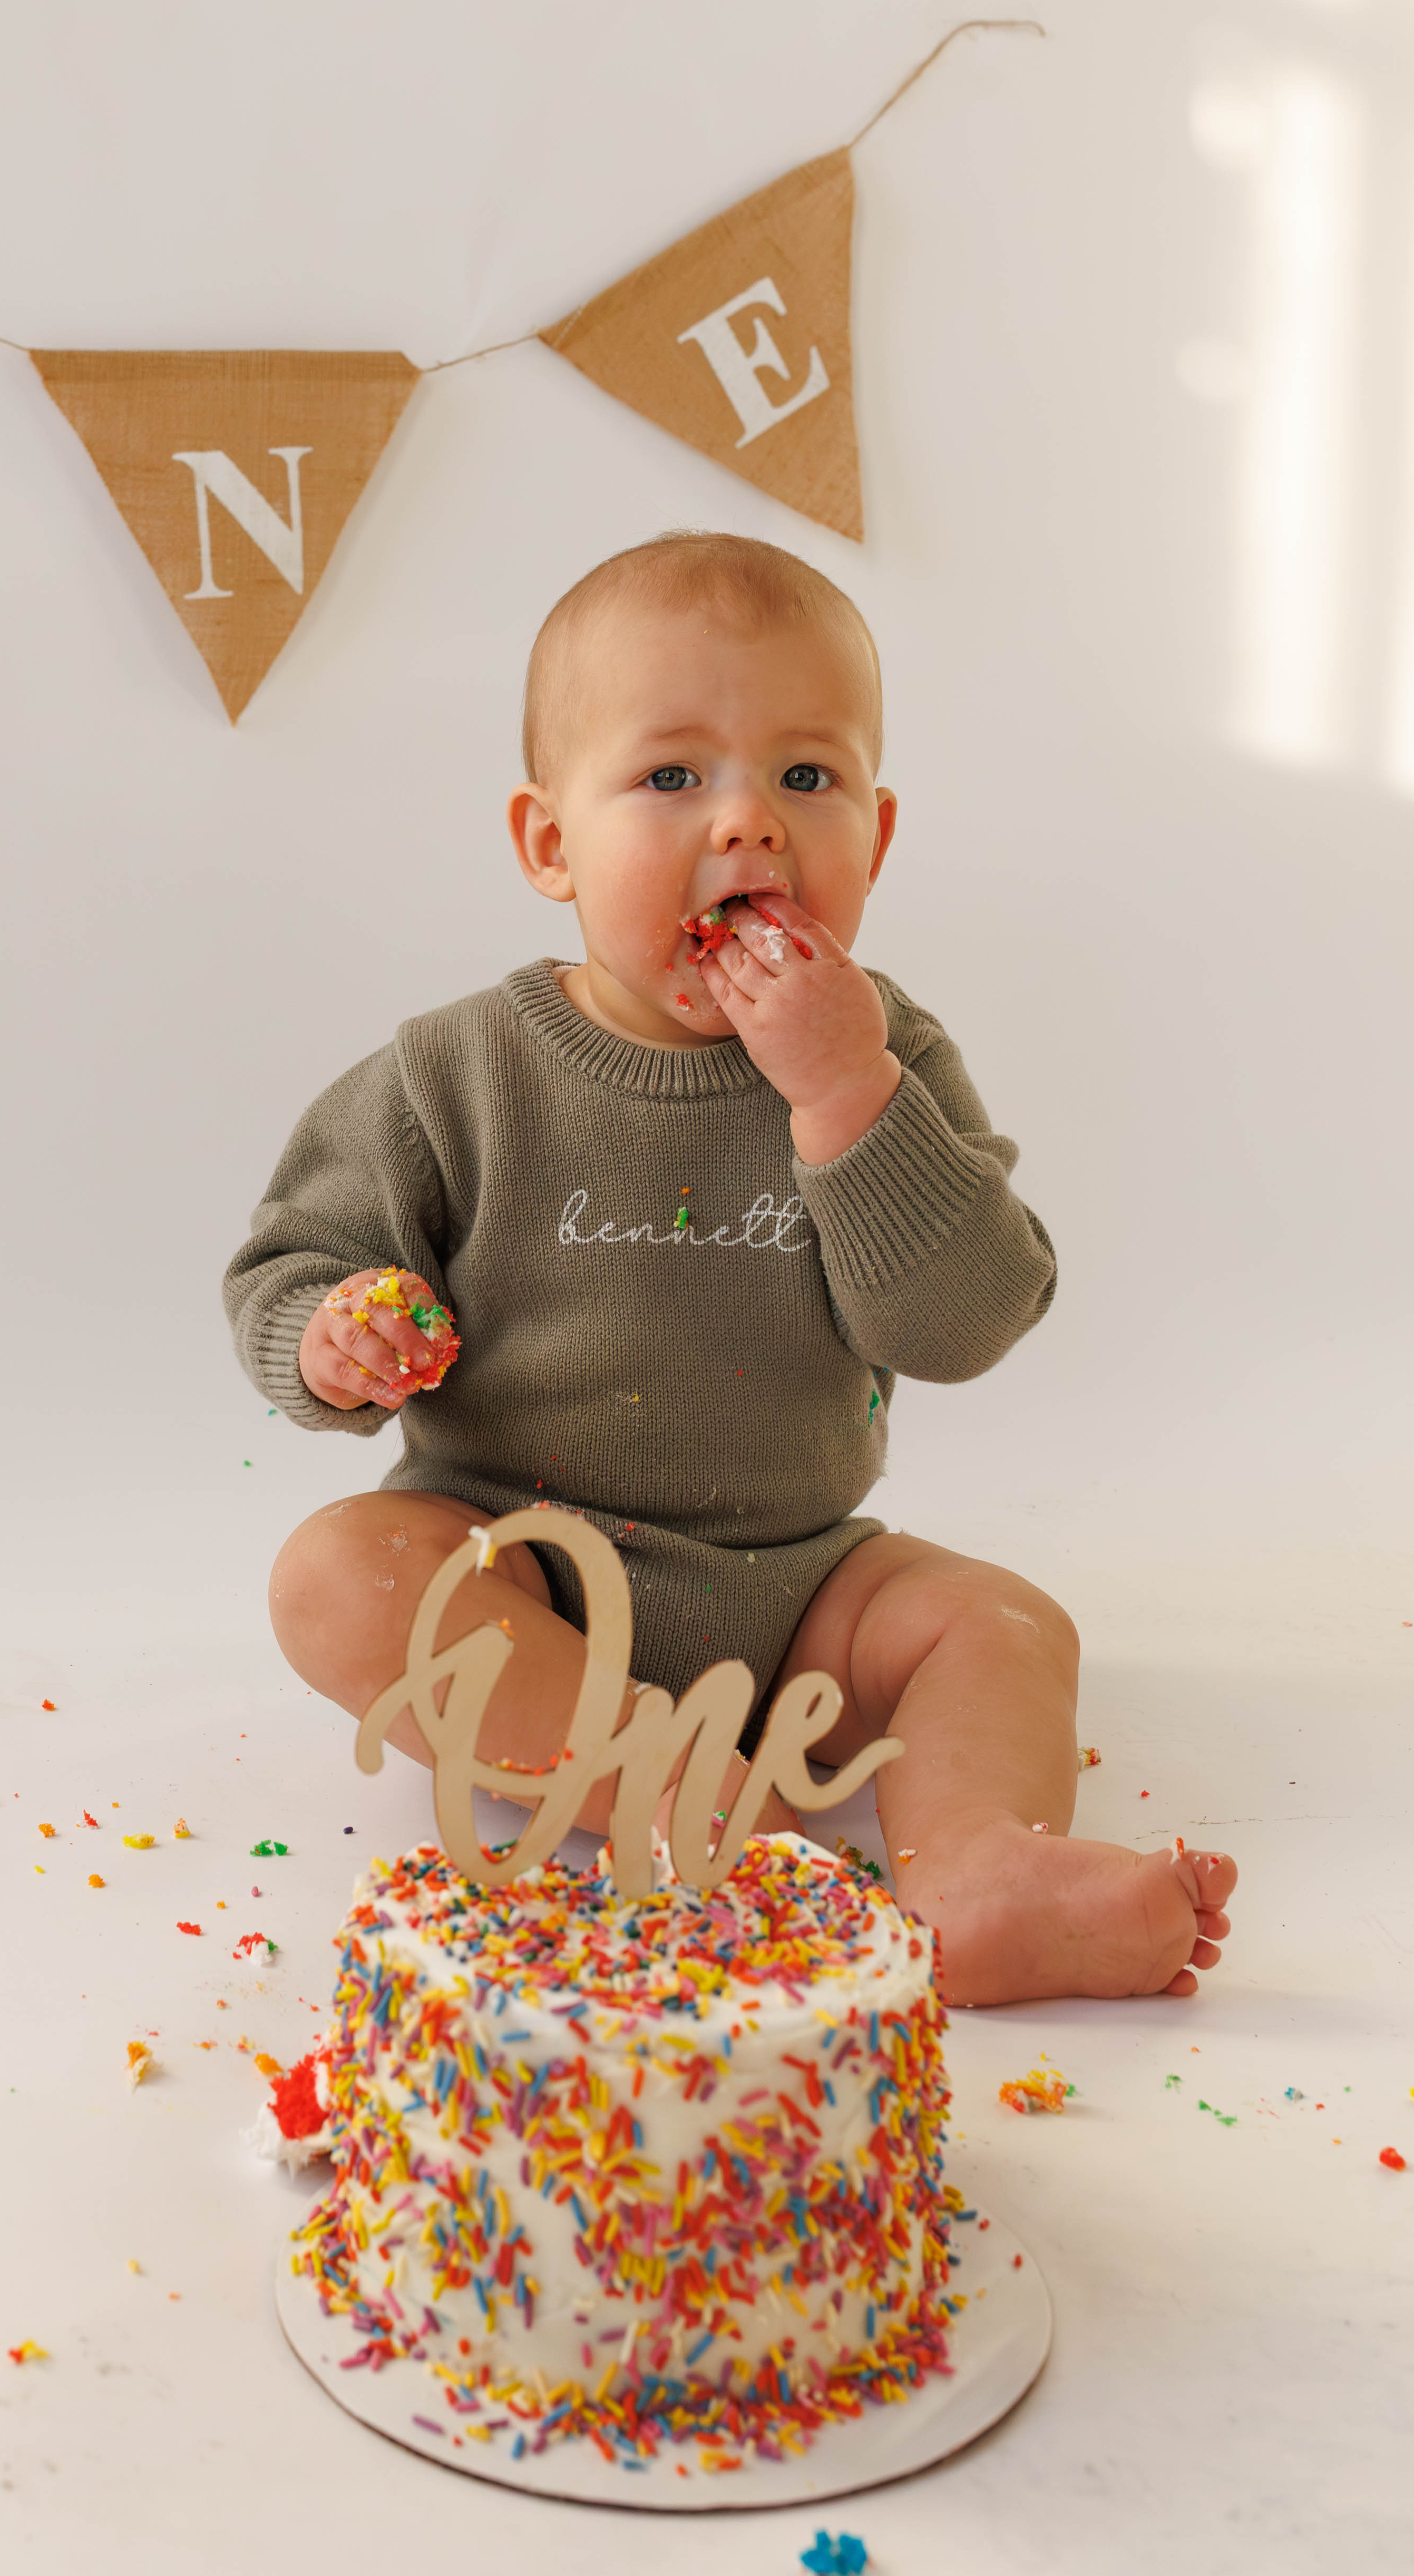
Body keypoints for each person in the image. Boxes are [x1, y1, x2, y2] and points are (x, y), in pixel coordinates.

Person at [223, 531, 1236, 2006]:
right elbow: (294, 1261)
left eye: (807, 777)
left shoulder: (889, 1055)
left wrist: (847, 1096)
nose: (750, 824)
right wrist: (335, 1334)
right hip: (530, 1583)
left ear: (876, 841)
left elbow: (967, 1323)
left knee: (1003, 1625)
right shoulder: (455, 1077)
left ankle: (974, 1870)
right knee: (337, 1576)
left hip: (805, 1594)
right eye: (672, 777)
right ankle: (716, 1829)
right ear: (549, 844)